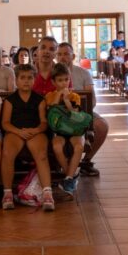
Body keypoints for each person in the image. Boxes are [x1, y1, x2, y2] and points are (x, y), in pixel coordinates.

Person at [0, 64, 53, 211]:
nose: (26, 81)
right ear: (16, 80)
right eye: (22, 78)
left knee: (41, 155)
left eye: (30, 78)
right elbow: (5, 123)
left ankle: (47, 194)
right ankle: (7, 193)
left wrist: (35, 130)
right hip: (15, 132)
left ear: (34, 80)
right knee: (7, 154)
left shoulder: (40, 100)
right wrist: (19, 132)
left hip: (35, 132)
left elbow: (44, 123)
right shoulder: (10, 100)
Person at [55, 42, 106, 177]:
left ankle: (86, 162)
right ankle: (59, 163)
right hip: (58, 114)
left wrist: (80, 114)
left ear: (73, 56)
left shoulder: (83, 73)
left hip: (82, 112)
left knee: (102, 126)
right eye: (59, 54)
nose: (62, 57)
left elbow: (91, 99)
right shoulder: (52, 73)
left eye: (66, 54)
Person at [45, 63, 84, 195]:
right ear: (53, 82)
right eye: (60, 80)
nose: (63, 83)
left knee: (79, 147)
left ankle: (68, 178)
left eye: (66, 80)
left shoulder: (74, 96)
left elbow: (75, 115)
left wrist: (67, 100)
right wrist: (58, 96)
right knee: (57, 146)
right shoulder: (50, 96)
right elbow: (52, 112)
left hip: (74, 129)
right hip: (59, 131)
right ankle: (70, 176)